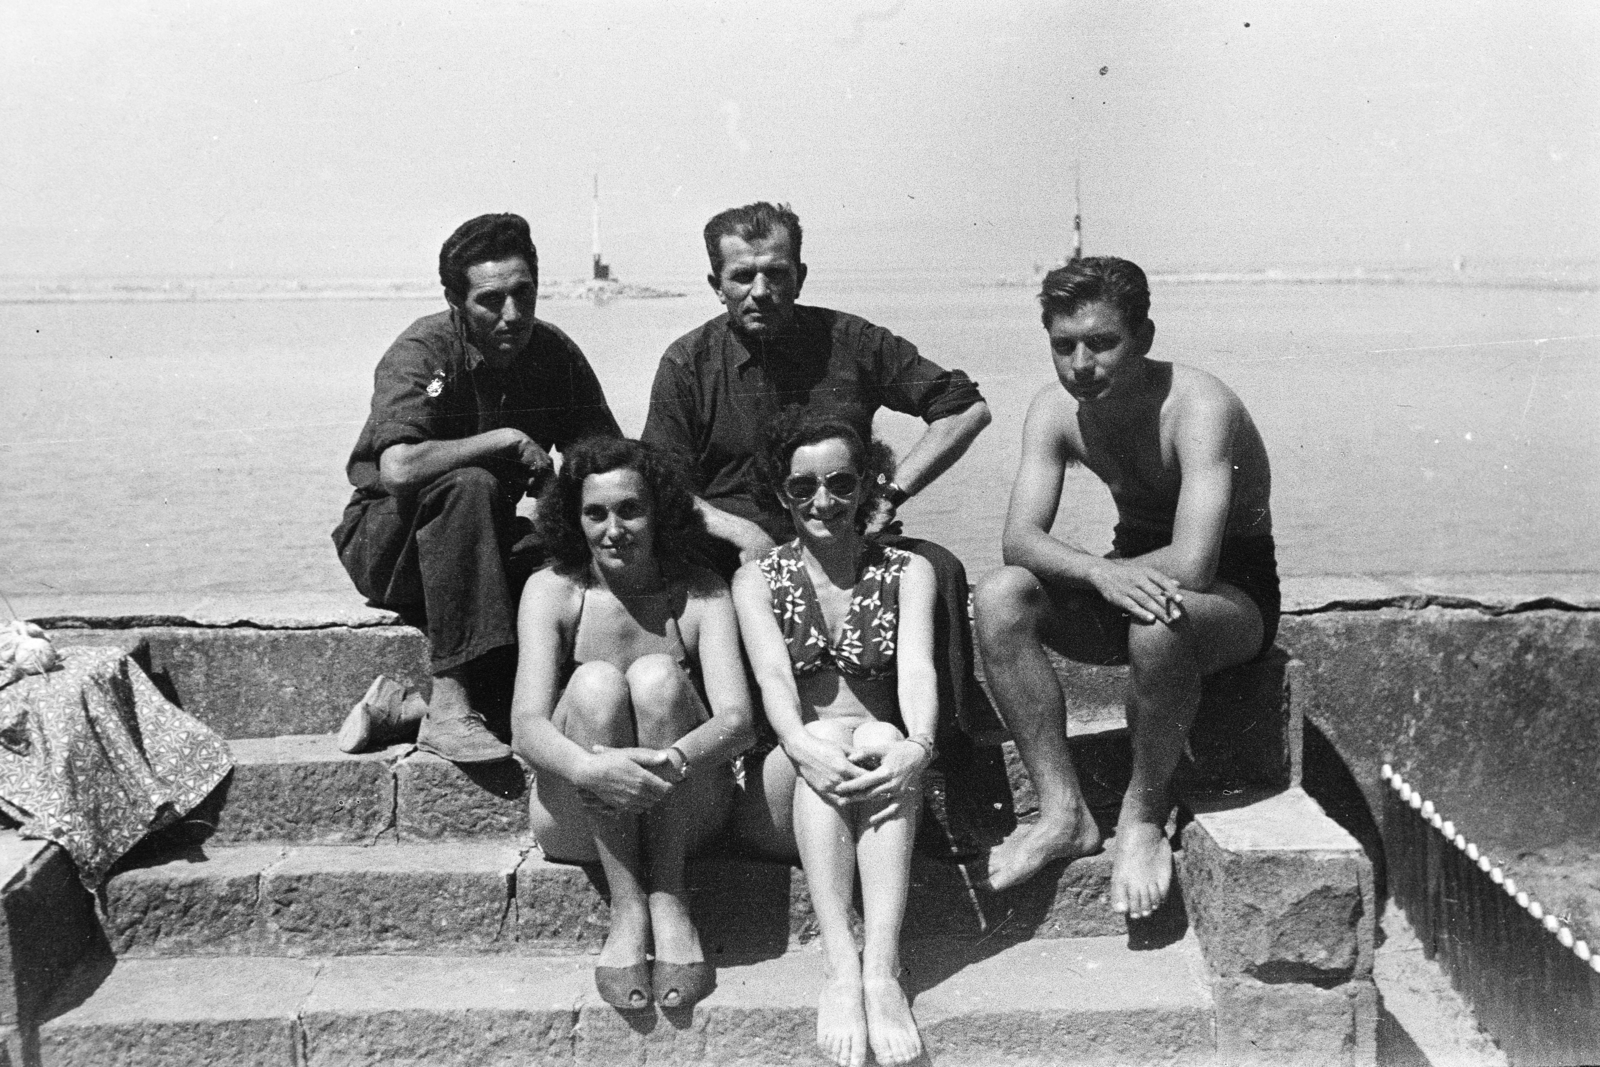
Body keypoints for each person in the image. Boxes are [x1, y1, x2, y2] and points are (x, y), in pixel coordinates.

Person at [641, 201, 1012, 853]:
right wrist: (742, 536)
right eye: (742, 275)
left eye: (777, 273)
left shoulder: (852, 341)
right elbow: (663, 486)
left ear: (801, 275)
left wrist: (890, 491)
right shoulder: (687, 364)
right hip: (739, 548)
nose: (762, 290)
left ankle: (947, 771)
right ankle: (761, 754)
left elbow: (965, 409)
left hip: (844, 534)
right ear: (715, 284)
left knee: (943, 569)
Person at [974, 257, 1279, 919]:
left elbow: (1196, 564)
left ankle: (1142, 816)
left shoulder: (1199, 406)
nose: (1081, 363)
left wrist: (1114, 574)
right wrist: (1100, 570)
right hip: (1129, 579)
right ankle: (1063, 813)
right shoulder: (1057, 410)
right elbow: (1019, 540)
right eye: (1064, 345)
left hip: (1232, 596)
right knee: (1001, 595)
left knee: (1159, 618)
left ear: (1143, 335)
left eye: (1102, 342)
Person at [332, 213, 622, 764]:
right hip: (388, 547)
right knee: (472, 485)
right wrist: (507, 440)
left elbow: (604, 459)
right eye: (491, 301)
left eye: (524, 294)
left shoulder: (553, 354)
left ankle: (404, 710)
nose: (512, 315)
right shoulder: (422, 350)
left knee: (561, 560)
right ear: (454, 299)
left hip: (475, 548)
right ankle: (448, 705)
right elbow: (397, 468)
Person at [511, 437, 754, 1011]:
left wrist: (669, 761)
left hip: (686, 811)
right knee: (594, 683)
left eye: (630, 509)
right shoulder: (552, 591)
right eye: (595, 513)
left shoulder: (700, 591)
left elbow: (739, 720)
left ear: (661, 511)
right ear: (574, 519)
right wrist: (593, 769)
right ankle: (627, 906)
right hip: (575, 816)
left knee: (656, 677)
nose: (613, 529)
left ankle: (668, 896)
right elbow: (525, 724)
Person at [733, 414, 935, 1067]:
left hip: (875, 783)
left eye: (841, 482)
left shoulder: (908, 571)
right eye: (803, 487)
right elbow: (771, 677)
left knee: (879, 733)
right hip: (789, 783)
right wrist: (800, 739)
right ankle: (840, 968)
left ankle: (880, 970)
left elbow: (917, 670)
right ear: (781, 493)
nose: (823, 502)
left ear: (868, 483)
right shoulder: (757, 578)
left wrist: (919, 744)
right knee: (825, 734)